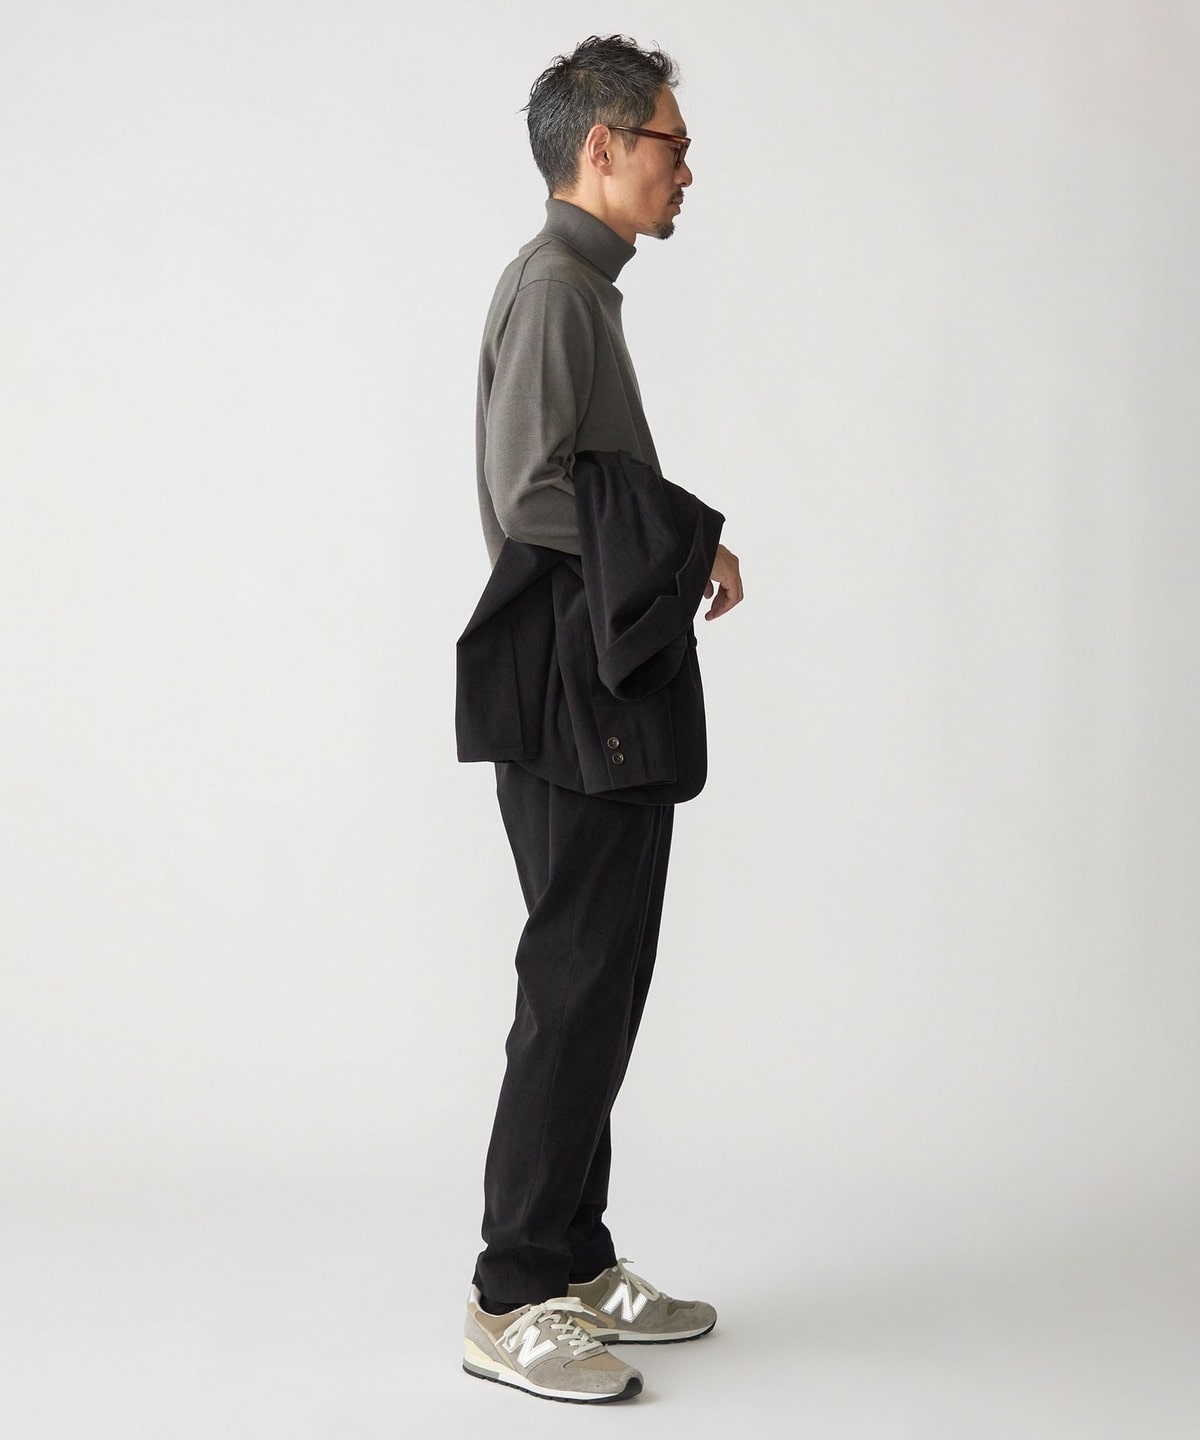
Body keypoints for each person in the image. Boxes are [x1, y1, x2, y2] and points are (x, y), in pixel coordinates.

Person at [460, 35, 744, 1405]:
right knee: (573, 987)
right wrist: (683, 545)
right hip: (569, 690)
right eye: (671, 144)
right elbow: (530, 493)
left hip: (600, 684)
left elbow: (578, 485)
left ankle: (572, 1257)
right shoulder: (555, 287)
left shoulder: (586, 287)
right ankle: (510, 1292)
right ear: (603, 147)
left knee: (606, 979)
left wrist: (674, 551)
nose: (687, 169)